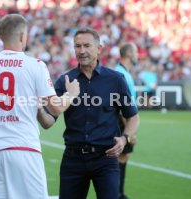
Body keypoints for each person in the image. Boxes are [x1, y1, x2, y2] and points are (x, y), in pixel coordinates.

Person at [0, 14, 80, 199]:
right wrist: (71, 94)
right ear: (22, 36)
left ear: (1, 36)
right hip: (24, 151)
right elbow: (56, 108)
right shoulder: (35, 65)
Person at [54, 27, 140, 199]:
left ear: (99, 48)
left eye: (87, 45)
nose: (82, 51)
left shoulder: (116, 80)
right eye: (77, 46)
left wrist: (124, 139)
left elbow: (133, 117)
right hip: (73, 158)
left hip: (106, 159)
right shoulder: (65, 81)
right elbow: (48, 115)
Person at [115, 42, 138, 199]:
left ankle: (119, 193)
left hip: (122, 121)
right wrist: (129, 131)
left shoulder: (121, 72)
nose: (138, 56)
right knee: (120, 156)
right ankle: (117, 193)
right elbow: (123, 105)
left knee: (123, 156)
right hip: (122, 123)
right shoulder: (122, 74)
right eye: (136, 52)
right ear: (129, 54)